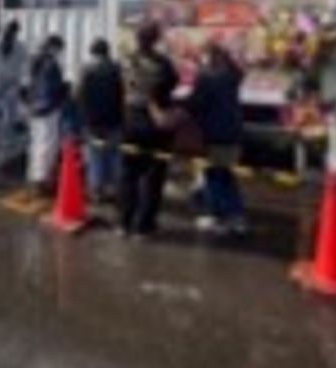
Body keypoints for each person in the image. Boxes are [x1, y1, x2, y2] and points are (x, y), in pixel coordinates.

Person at [119, 22, 179, 238]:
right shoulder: (162, 63)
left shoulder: (126, 61)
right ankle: (144, 225)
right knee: (153, 175)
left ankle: (124, 223)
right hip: (155, 123)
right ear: (155, 39)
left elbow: (121, 87)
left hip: (129, 121)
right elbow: (173, 83)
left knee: (128, 174)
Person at [189, 42, 248, 235]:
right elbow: (237, 71)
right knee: (226, 174)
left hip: (214, 133)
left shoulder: (206, 78)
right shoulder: (232, 77)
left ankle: (219, 217)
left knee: (213, 175)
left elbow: (195, 103)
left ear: (210, 57)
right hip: (233, 132)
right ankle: (236, 217)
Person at [77, 38, 124, 203]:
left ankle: (96, 191)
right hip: (113, 120)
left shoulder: (86, 70)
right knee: (114, 155)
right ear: (107, 51)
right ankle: (116, 189)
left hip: (93, 123)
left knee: (95, 156)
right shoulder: (116, 69)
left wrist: (83, 118)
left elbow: (79, 95)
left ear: (93, 52)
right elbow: (123, 94)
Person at [0, 19, 29, 167]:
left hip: (11, 84)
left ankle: (6, 150)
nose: (9, 35)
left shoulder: (20, 47)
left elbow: (25, 66)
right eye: (7, 31)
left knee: (9, 116)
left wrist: (23, 85)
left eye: (12, 33)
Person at [27, 34, 67, 196]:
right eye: (60, 49)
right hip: (48, 108)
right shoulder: (51, 65)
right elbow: (52, 89)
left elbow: (32, 85)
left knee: (36, 144)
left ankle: (35, 176)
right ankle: (42, 181)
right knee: (48, 145)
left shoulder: (35, 60)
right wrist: (64, 90)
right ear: (54, 47)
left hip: (34, 108)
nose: (60, 53)